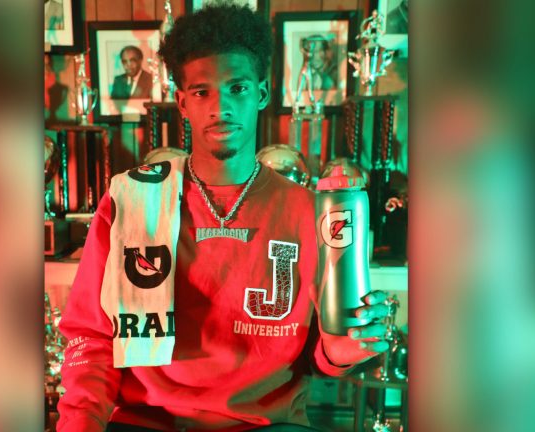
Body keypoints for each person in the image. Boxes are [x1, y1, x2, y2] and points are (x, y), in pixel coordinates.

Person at [57, 3, 389, 431]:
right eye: (202, 92)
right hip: (148, 422)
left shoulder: (310, 211)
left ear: (262, 93)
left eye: (237, 88)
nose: (220, 107)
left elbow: (321, 353)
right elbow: (92, 337)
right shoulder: (132, 198)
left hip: (265, 424)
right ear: (182, 102)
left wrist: (341, 352)